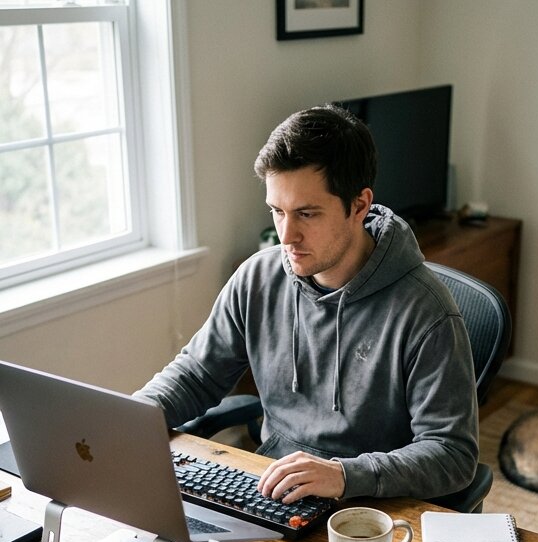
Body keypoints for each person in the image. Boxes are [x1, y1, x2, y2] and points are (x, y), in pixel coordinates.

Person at [136, 104, 479, 505]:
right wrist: (135, 417)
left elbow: (453, 454)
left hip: (372, 513)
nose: (286, 235)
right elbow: (196, 375)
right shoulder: (257, 278)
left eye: (306, 213)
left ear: (359, 205)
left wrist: (344, 475)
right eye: (277, 211)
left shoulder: (427, 312)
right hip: (271, 492)